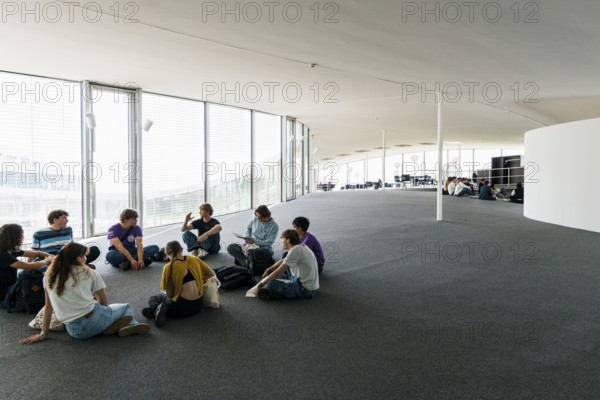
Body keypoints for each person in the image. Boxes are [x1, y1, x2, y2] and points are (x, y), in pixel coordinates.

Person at [20, 242, 151, 344]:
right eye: (83, 256)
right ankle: (131, 324)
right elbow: (104, 303)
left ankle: (111, 327)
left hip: (76, 332)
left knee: (101, 313)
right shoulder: (90, 272)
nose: (86, 259)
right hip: (95, 319)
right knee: (126, 307)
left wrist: (43, 333)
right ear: (76, 258)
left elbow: (48, 307)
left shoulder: (48, 276)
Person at [142, 241, 216, 327]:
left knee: (155, 298)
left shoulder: (169, 267)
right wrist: (198, 279)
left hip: (180, 310)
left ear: (167, 253)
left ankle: (155, 311)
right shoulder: (194, 258)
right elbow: (211, 273)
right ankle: (157, 312)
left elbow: (169, 295)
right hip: (198, 306)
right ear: (181, 249)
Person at [0, 224, 54, 309]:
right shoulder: (3, 254)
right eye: (21, 234)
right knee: (36, 269)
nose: (23, 237)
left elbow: (31, 253)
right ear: (14, 236)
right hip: (5, 296)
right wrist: (46, 261)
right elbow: (28, 266)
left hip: (12, 284)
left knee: (39, 264)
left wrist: (46, 255)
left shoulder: (9, 248)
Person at [256, 229, 319, 300]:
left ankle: (277, 293)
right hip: (311, 285)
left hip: (305, 290)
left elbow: (277, 272)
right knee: (285, 266)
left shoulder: (295, 250)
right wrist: (269, 269)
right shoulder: (301, 246)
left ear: (288, 240)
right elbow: (283, 261)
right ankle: (284, 282)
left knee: (271, 285)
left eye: (282, 239)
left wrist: (260, 285)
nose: (281, 242)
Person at [30, 210, 100, 268]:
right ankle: (77, 266)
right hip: (52, 257)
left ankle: (73, 266)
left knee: (94, 250)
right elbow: (33, 252)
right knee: (54, 259)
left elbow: (72, 246)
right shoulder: (39, 233)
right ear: (55, 220)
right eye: (64, 218)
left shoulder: (68, 230)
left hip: (68, 254)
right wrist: (28, 266)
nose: (67, 220)